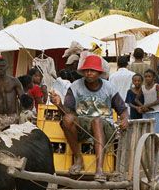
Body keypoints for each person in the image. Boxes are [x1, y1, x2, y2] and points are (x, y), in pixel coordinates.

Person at [50, 55, 128, 183]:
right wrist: (59, 104)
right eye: (86, 70)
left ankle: (99, 169)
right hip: (82, 125)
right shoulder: (75, 86)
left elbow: (122, 110)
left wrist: (124, 119)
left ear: (99, 73)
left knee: (96, 121)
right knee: (68, 119)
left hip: (105, 127)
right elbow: (68, 112)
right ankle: (78, 159)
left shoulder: (109, 87)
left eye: (92, 70)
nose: (89, 73)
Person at [0, 58, 23, 131]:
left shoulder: (14, 81)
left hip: (13, 116)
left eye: (3, 66)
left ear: (7, 67)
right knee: (0, 140)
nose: (1, 68)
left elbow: (22, 99)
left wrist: (20, 116)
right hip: (0, 118)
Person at [140, 69, 159, 133]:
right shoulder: (142, 87)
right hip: (146, 113)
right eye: (145, 77)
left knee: (154, 132)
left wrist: (148, 105)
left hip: (155, 112)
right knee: (146, 132)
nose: (147, 78)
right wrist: (142, 106)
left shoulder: (157, 86)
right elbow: (136, 99)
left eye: (149, 76)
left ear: (154, 78)